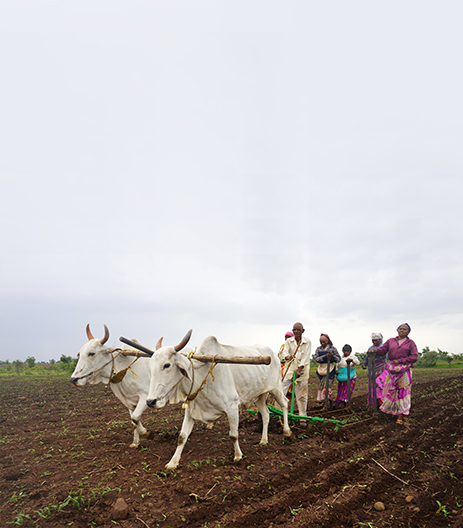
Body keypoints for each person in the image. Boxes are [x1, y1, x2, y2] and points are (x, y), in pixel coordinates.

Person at [374, 323, 418, 425]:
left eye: (404, 329)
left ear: (408, 332)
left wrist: (401, 360)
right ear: (397, 330)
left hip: (404, 370)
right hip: (392, 370)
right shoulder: (391, 341)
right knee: (390, 390)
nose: (402, 330)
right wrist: (375, 351)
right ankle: (393, 410)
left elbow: (414, 357)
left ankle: (401, 415)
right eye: (400, 329)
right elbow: (382, 351)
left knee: (402, 391)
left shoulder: (410, 343)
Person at [278, 322, 312, 416]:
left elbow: (305, 358)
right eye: (294, 330)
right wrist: (288, 357)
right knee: (280, 392)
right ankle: (278, 413)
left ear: (302, 331)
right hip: (289, 370)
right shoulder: (289, 341)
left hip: (302, 373)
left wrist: (299, 370)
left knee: (302, 396)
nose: (296, 331)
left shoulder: (307, 342)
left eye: (298, 330)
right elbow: (284, 353)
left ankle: (302, 417)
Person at [314, 334, 341, 406]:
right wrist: (323, 357)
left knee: (327, 385)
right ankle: (327, 400)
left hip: (330, 369)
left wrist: (333, 356)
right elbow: (316, 359)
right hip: (321, 369)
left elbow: (338, 359)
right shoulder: (318, 349)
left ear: (327, 341)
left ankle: (327, 401)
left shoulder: (333, 349)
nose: (322, 344)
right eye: (321, 342)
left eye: (324, 342)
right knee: (320, 385)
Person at [362, 333, 387, 406]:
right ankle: (374, 404)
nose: (374, 342)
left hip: (381, 368)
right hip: (371, 369)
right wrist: (364, 364)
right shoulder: (370, 348)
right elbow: (367, 358)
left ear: (380, 339)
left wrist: (376, 351)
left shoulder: (383, 347)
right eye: (373, 340)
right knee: (371, 387)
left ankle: (383, 403)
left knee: (378, 386)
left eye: (376, 340)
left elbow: (383, 355)